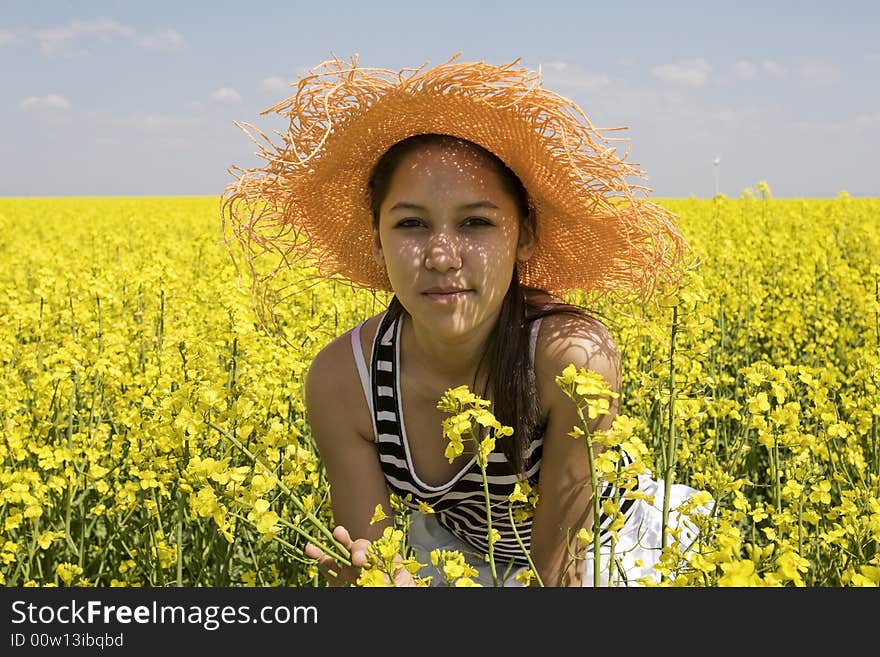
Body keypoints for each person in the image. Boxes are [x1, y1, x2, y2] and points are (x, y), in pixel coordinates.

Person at [222, 53, 705, 587]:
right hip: (465, 554)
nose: (441, 257)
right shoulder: (344, 381)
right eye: (410, 225)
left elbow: (560, 575)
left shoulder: (571, 359)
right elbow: (371, 565)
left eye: (476, 222)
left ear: (523, 235)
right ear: (377, 241)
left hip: (606, 555)